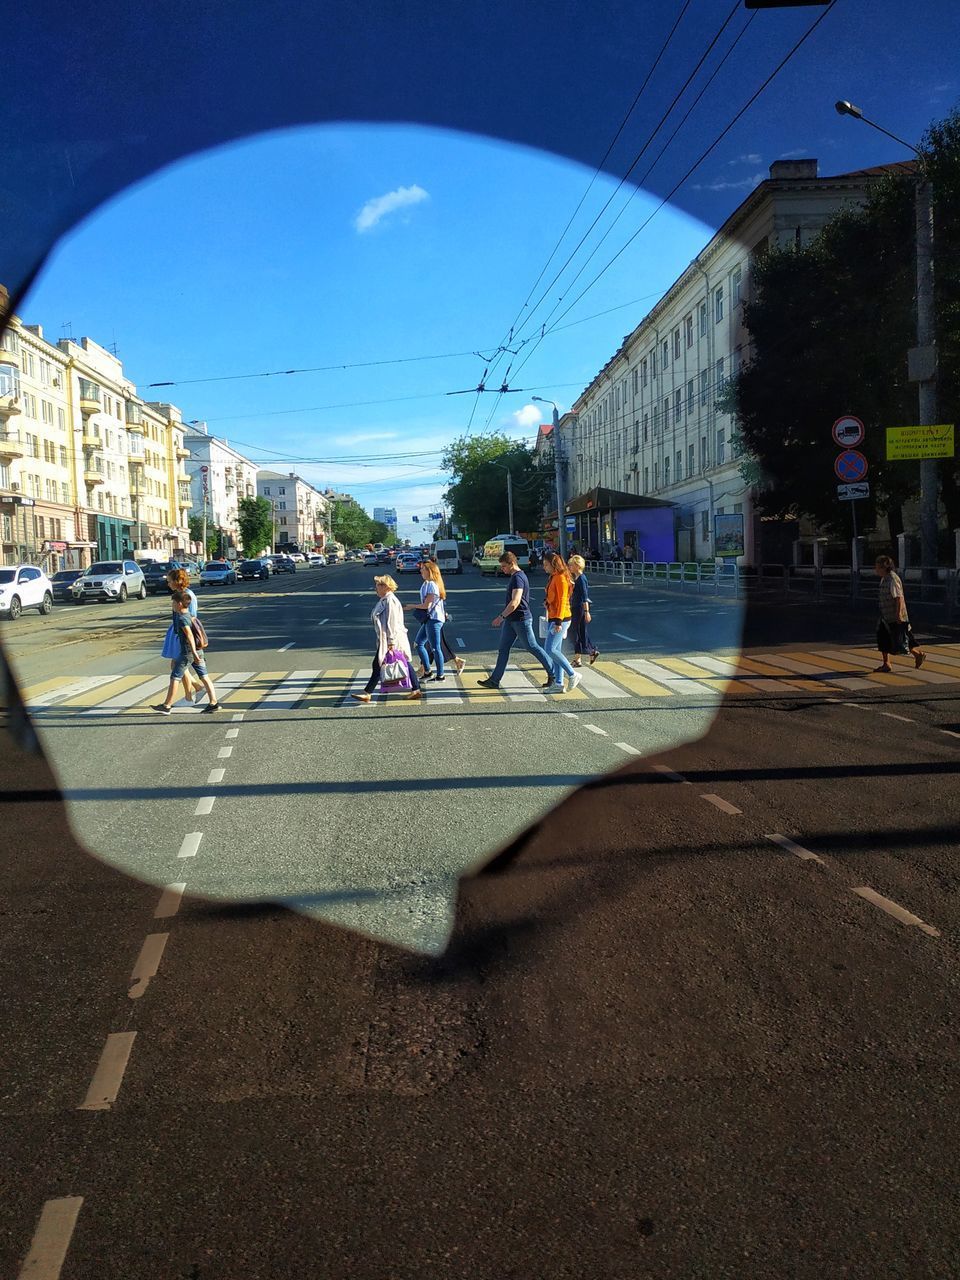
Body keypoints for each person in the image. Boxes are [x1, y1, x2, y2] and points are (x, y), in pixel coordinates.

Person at [477, 551, 554, 689]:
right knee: (503, 649)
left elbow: (515, 601)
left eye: (504, 566)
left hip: (521, 619)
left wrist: (501, 617)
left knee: (532, 647)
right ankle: (495, 680)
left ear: (512, 563)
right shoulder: (515, 576)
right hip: (511, 620)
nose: (502, 569)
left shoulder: (518, 577)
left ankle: (553, 673)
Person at [352, 574, 422, 703]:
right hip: (387, 639)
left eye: (378, 585)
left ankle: (367, 692)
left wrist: (391, 642)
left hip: (392, 639)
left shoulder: (391, 601)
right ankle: (416, 689)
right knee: (404, 662)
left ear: (386, 586)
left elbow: (392, 622)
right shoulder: (384, 600)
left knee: (378, 664)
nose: (376, 588)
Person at [153, 590, 220, 714]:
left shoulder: (181, 618)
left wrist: (193, 652)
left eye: (173, 602)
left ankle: (167, 706)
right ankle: (213, 702)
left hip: (187, 653)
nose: (172, 605)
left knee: (175, 677)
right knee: (204, 677)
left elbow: (189, 635)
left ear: (179, 604)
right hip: (198, 651)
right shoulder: (190, 616)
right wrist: (196, 652)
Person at [874, 555, 926, 672]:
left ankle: (918, 654)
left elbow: (899, 598)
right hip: (886, 615)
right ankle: (886, 663)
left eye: (878, 567)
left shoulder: (892, 579)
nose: (876, 570)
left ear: (884, 567)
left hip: (895, 616)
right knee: (884, 637)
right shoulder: (884, 578)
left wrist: (898, 615)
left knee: (901, 639)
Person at [541, 551, 581, 693]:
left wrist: (557, 622)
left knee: (549, 649)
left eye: (546, 564)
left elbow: (563, 600)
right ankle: (558, 683)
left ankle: (572, 674)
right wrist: (547, 602)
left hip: (561, 619)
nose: (544, 567)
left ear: (553, 564)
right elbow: (554, 597)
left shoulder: (560, 578)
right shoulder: (554, 576)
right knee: (555, 650)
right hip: (556, 616)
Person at [405, 560, 447, 682]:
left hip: (434, 619)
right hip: (430, 619)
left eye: (423, 569)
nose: (420, 571)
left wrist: (412, 606)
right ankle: (428, 671)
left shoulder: (431, 585)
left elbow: (427, 605)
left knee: (435, 648)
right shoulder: (427, 584)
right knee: (418, 644)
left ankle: (440, 675)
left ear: (429, 571)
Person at [166, 566, 203, 704]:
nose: (168, 584)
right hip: (179, 632)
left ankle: (194, 691)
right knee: (178, 665)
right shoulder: (179, 594)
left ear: (177, 581)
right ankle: (190, 694)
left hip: (184, 634)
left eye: (170, 581)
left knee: (178, 666)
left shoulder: (187, 595)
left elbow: (190, 617)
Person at [568, 553, 599, 666]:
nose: (569, 567)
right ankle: (585, 655)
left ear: (577, 565)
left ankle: (584, 655)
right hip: (577, 608)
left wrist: (587, 612)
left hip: (579, 608)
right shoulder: (578, 578)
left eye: (571, 565)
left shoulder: (581, 579)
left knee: (574, 632)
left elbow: (585, 597)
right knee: (580, 633)